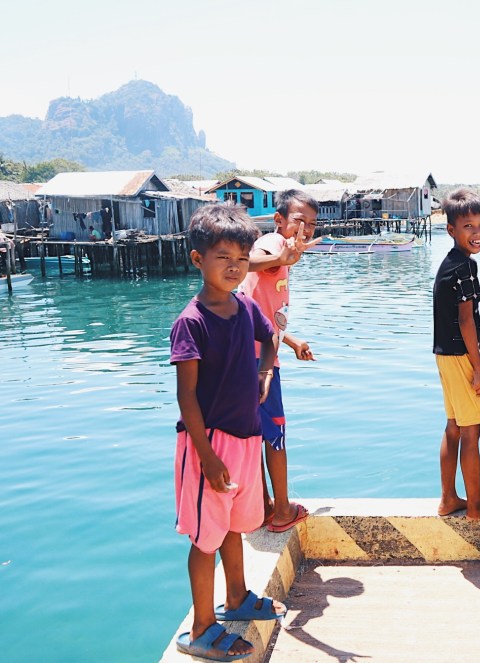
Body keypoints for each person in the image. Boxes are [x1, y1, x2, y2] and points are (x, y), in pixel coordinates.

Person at [170, 203, 284, 661]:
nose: (235, 266)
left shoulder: (245, 305)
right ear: (198, 260)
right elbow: (187, 398)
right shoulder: (191, 322)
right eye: (224, 257)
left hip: (244, 438)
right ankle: (201, 626)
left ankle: (236, 596)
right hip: (209, 444)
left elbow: (270, 338)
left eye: (242, 257)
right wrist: (208, 457)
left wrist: (264, 373)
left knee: (234, 525)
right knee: (205, 538)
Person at [240, 189, 321, 533]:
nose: (305, 231)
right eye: (299, 222)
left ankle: (262, 505)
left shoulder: (281, 253)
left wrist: (289, 341)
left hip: (251, 355)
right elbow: (251, 260)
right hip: (260, 364)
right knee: (275, 435)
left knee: (256, 434)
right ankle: (284, 511)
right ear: (279, 221)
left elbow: (262, 313)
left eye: (312, 226)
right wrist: (282, 259)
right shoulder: (271, 244)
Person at [433, 188, 480, 520]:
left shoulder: (456, 264)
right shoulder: (463, 268)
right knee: (471, 432)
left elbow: (474, 315)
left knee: (455, 426)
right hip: (459, 356)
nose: (477, 232)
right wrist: (477, 366)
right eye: (468, 226)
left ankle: (448, 499)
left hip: (446, 354)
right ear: (452, 230)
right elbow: (466, 320)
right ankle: (474, 505)